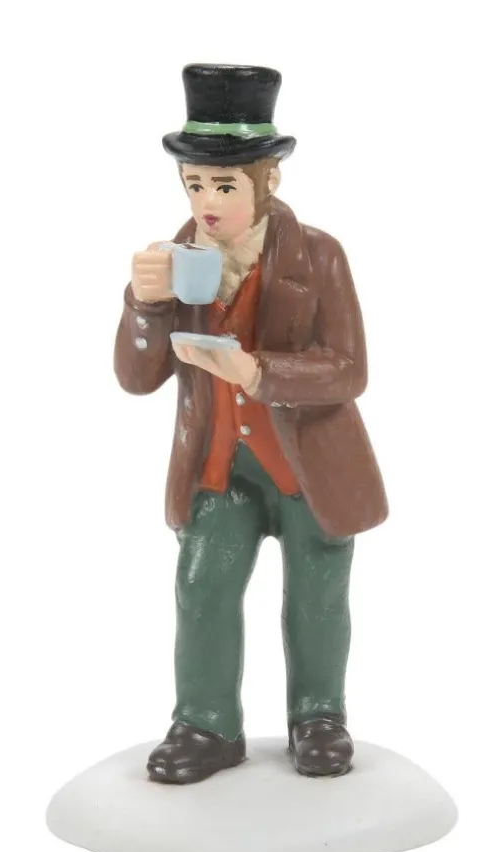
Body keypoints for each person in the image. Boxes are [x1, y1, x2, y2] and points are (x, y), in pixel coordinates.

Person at [114, 64, 387, 783]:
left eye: (224, 186)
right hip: (219, 466)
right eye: (194, 184)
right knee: (202, 584)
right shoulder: (176, 263)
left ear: (267, 182)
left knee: (316, 596)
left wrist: (259, 372)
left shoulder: (319, 255)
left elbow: (348, 369)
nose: (206, 203)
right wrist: (144, 305)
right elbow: (137, 378)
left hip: (308, 464)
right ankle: (206, 723)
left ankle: (318, 716)